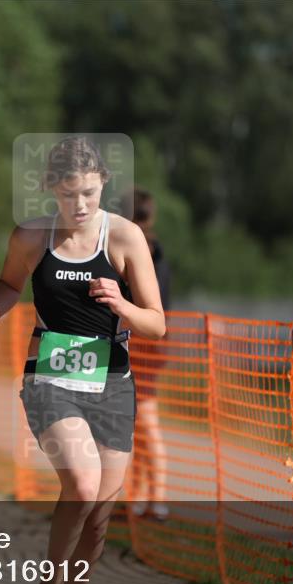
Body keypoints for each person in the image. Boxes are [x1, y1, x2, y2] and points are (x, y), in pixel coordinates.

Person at [0, 137, 165, 584]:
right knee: (80, 483)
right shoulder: (32, 236)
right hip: (50, 379)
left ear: (104, 185)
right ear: (50, 188)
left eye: (89, 193)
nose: (79, 205)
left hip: (112, 385)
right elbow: (8, 284)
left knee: (99, 516)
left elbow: (157, 323)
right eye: (69, 194)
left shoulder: (124, 237)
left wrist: (121, 303)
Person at [121, 187, 171, 521]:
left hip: (146, 343)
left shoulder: (145, 250)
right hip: (140, 341)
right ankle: (138, 498)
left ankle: (158, 499)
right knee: (137, 425)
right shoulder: (150, 248)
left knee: (147, 423)